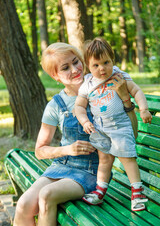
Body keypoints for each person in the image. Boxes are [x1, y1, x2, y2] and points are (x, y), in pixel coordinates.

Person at [13, 42, 138, 226]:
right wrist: (67, 149)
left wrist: (126, 99)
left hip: (92, 171)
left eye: (76, 62)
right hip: (61, 166)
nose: (75, 69)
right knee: (23, 204)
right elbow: (40, 150)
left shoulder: (106, 86)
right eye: (65, 68)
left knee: (47, 196)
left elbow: (132, 134)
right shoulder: (56, 105)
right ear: (55, 75)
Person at [75, 37, 152, 211]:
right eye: (96, 65)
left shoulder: (119, 75)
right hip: (101, 128)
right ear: (88, 65)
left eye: (106, 62)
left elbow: (136, 91)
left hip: (120, 126)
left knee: (127, 159)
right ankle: (100, 191)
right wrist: (85, 121)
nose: (102, 68)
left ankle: (138, 192)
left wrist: (144, 109)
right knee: (104, 160)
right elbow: (79, 106)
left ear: (112, 60)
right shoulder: (87, 83)